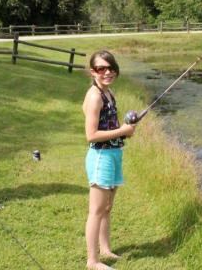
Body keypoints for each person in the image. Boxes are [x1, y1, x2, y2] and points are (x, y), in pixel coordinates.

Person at [82, 50, 137, 270]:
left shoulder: (108, 93)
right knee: (96, 210)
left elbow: (95, 118)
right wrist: (121, 130)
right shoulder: (95, 95)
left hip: (113, 154)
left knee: (107, 207)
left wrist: (123, 130)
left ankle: (105, 249)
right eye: (100, 69)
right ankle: (92, 261)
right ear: (92, 71)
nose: (107, 72)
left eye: (110, 67)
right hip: (101, 157)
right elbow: (91, 135)